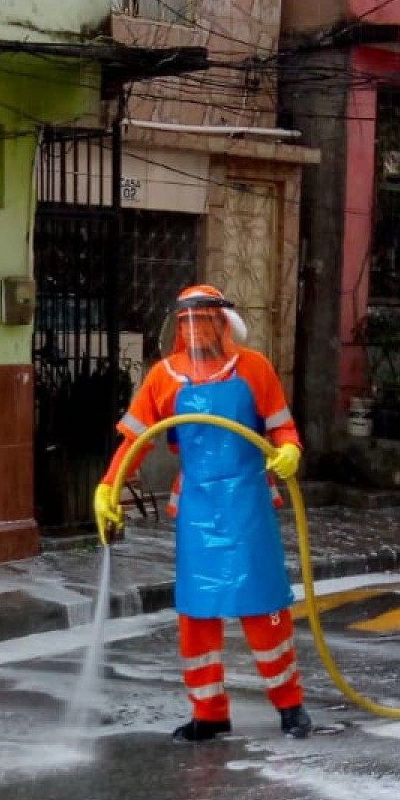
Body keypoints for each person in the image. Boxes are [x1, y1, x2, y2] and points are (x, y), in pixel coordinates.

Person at [93, 283, 312, 742]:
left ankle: (290, 707)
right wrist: (108, 488)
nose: (195, 330)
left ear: (222, 322)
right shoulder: (163, 378)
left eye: (205, 319)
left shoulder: (254, 369)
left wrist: (289, 451)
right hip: (197, 510)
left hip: (249, 505)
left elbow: (284, 428)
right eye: (187, 321)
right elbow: (134, 442)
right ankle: (209, 713)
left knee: (266, 611)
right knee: (196, 617)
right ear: (177, 327)